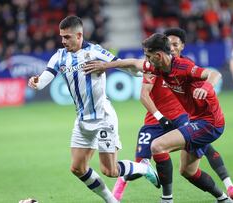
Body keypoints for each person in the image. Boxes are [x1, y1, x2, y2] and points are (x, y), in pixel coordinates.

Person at [84, 33, 233, 202]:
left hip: (210, 122)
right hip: (196, 120)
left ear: (158, 55)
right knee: (188, 171)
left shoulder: (184, 66)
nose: (146, 59)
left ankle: (166, 199)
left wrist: (206, 88)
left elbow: (214, 75)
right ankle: (224, 199)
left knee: (158, 146)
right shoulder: (156, 67)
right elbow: (133, 63)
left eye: (148, 55)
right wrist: (105, 66)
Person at [25, 15, 160, 203]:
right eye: (62, 37)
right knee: (77, 168)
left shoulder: (95, 52)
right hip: (82, 120)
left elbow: (124, 65)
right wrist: (36, 81)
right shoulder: (59, 56)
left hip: (103, 118)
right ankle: (112, 201)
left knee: (110, 171)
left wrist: (143, 68)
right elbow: (42, 80)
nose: (63, 41)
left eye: (67, 37)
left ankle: (143, 168)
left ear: (79, 35)